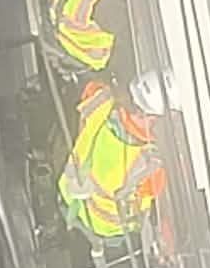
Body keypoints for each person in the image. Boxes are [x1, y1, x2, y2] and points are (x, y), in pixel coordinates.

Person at [57, 74, 168, 241]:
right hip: (107, 229)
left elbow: (90, 89)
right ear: (153, 118)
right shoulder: (151, 165)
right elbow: (152, 198)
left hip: (68, 196)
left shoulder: (102, 99)